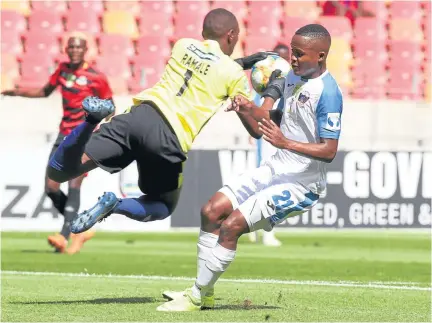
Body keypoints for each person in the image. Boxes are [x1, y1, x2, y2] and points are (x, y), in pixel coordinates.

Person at [158, 23, 343, 311]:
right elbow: (270, 117)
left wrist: (285, 143)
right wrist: (246, 107)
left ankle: (195, 295)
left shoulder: (328, 93)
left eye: (299, 54)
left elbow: (330, 151)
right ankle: (204, 292)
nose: (292, 59)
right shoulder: (293, 77)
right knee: (211, 211)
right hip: (275, 168)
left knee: (231, 227)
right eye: (292, 53)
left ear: (320, 56)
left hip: (301, 185)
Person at [46, 9, 275, 235]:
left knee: (60, 173)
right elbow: (257, 129)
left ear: (203, 32)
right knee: (163, 206)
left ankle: (90, 121)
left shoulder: (183, 45)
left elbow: (205, 65)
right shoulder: (233, 75)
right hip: (169, 137)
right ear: (232, 34)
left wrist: (241, 62)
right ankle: (115, 205)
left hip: (136, 116)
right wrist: (272, 91)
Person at [1, 32, 114, 254]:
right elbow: (44, 91)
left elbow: (110, 106)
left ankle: (63, 236)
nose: (74, 50)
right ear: (66, 49)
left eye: (79, 47)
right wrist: (15, 92)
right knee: (51, 187)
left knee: (74, 184)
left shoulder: (96, 77)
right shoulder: (62, 70)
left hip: (85, 136)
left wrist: (102, 131)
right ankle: (81, 229)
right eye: (71, 47)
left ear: (85, 50)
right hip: (64, 135)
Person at [248, 43, 290, 247]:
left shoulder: (291, 85)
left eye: (285, 58)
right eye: (279, 59)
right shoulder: (265, 88)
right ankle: (266, 232)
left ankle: (254, 225)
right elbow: (257, 113)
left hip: (283, 141)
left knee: (274, 186)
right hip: (267, 143)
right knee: (268, 185)